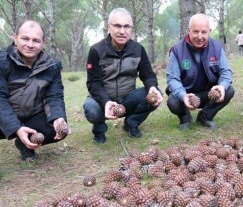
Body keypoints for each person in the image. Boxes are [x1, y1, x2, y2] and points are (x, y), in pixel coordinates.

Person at [83, 8, 163, 143]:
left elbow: (148, 74)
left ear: (131, 28)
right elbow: (93, 83)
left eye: (126, 26)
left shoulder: (138, 49)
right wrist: (106, 101)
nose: (122, 31)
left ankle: (132, 122)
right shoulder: (96, 50)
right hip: (104, 99)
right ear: (109, 27)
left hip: (128, 99)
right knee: (91, 108)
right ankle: (99, 130)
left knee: (155, 95)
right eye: (117, 26)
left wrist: (152, 87)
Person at [0, 20, 70, 161]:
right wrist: (16, 128)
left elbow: (54, 96)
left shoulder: (53, 66)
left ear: (43, 43)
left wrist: (58, 118)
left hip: (31, 116)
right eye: (25, 38)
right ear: (15, 37)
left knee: (57, 127)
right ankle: (20, 134)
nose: (30, 45)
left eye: (36, 40)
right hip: (3, 118)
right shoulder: (2, 61)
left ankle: (25, 145)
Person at [166, 13, 235, 130]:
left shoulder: (217, 47)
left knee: (229, 90)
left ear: (209, 31)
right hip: (186, 94)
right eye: (195, 31)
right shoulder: (177, 50)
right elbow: (172, 79)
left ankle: (205, 116)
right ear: (189, 31)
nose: (199, 36)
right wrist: (183, 96)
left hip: (208, 93)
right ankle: (185, 118)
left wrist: (222, 86)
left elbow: (226, 71)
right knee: (172, 101)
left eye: (204, 32)